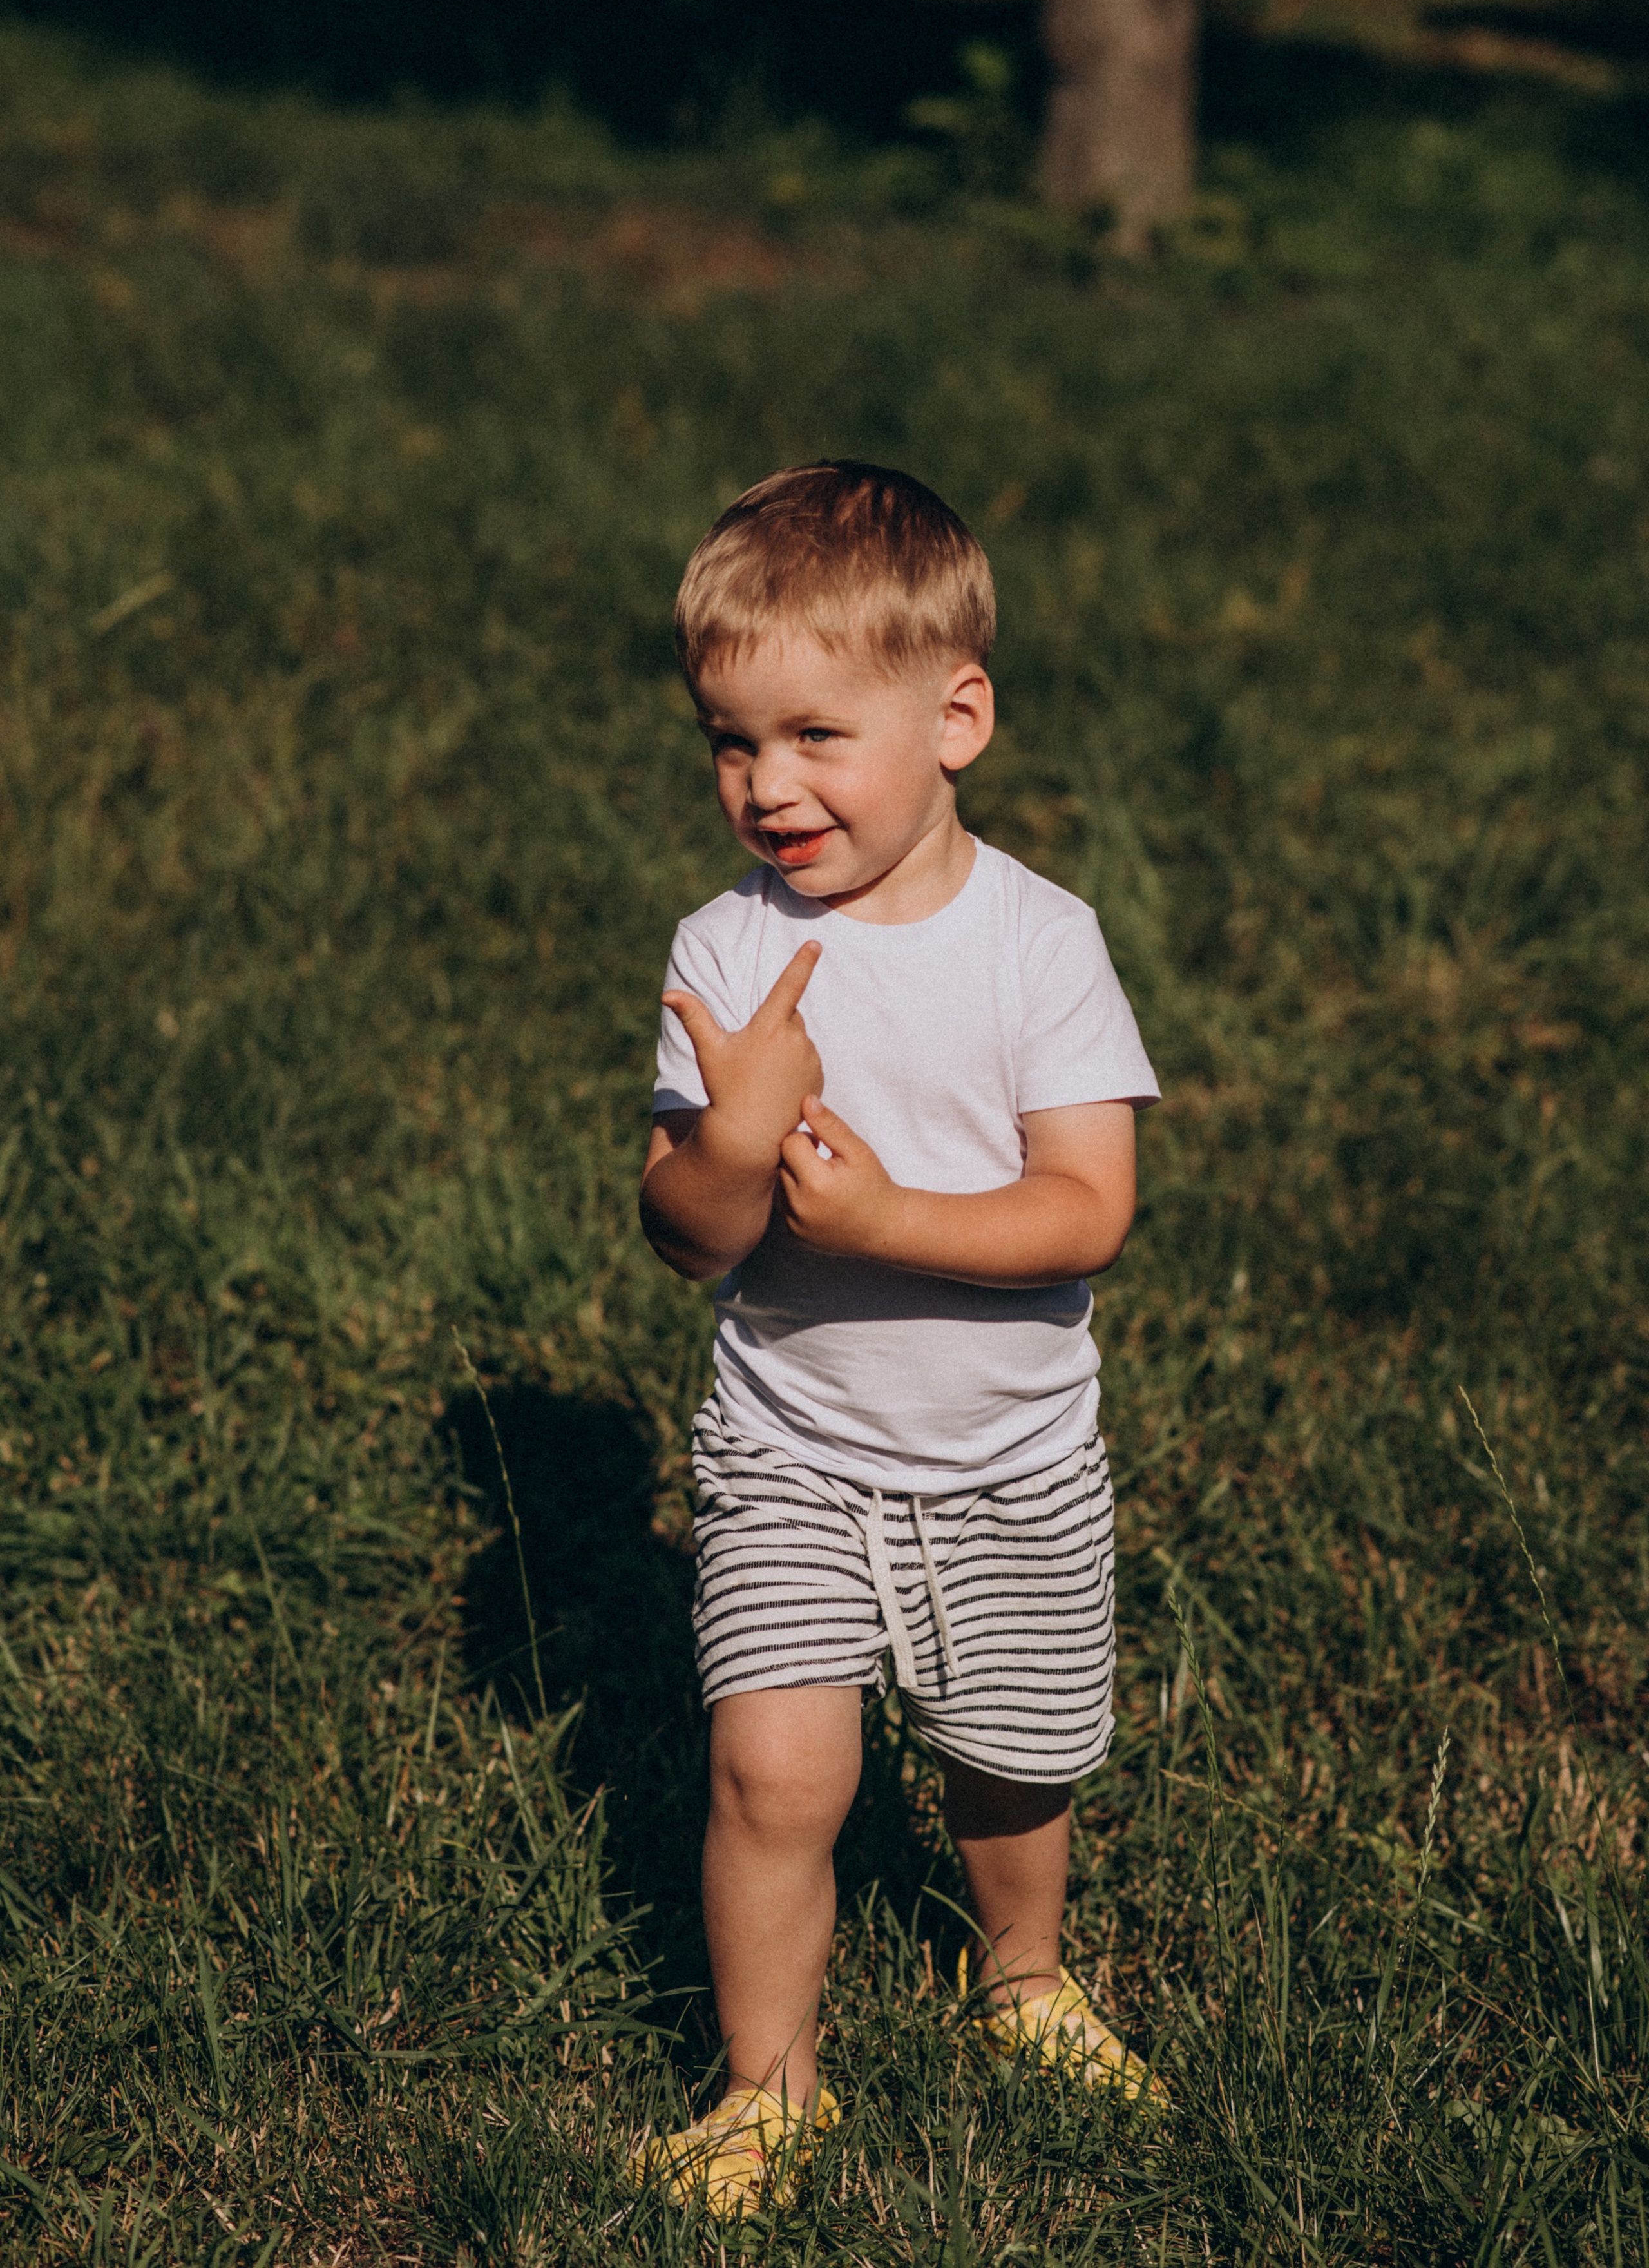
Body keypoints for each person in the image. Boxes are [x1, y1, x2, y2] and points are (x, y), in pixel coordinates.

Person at [632, 461, 1161, 2216]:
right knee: (775, 1771)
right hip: (794, 1444)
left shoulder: (1039, 946)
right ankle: (768, 2089)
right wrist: (731, 1136)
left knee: (1011, 1764)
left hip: (1007, 1455)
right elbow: (683, 1236)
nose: (767, 785)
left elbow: (1086, 1207)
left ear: (956, 717)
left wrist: (882, 1225)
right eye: (729, 742)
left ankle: (1020, 1971)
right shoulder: (727, 954)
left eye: (811, 735)